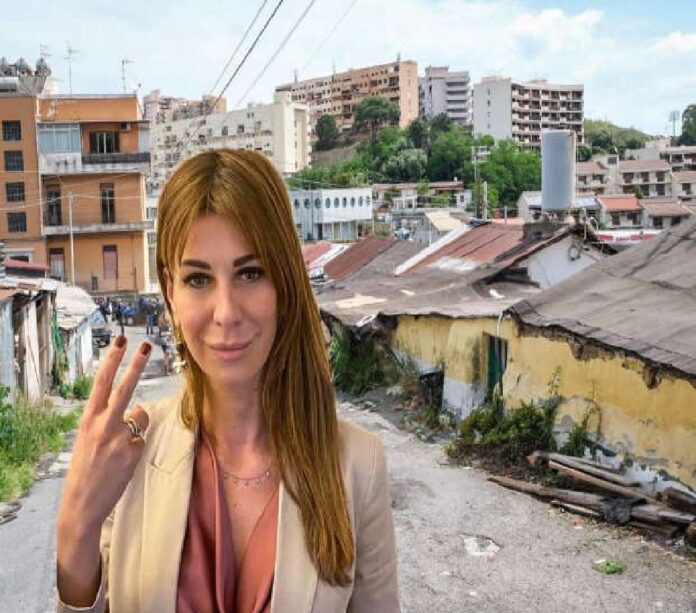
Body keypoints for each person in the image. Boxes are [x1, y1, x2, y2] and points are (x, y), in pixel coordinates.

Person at [56, 149, 400, 612]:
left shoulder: (358, 465)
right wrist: (75, 527)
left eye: (250, 273)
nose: (226, 313)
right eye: (198, 280)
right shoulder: (127, 455)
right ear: (170, 291)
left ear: (285, 285)